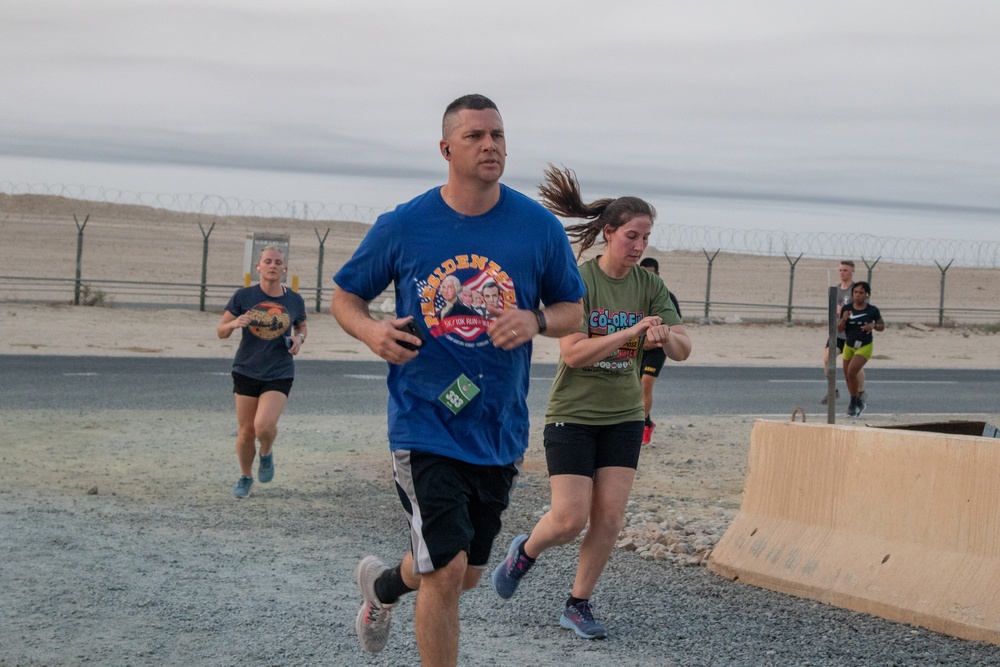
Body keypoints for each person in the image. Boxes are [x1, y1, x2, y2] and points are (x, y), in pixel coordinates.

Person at [329, 94, 585, 666]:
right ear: (446, 148)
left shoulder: (537, 227)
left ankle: (382, 588)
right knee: (443, 570)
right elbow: (345, 297)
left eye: (497, 135)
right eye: (474, 136)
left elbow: (575, 310)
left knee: (463, 573)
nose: (490, 144)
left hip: (498, 425)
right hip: (425, 421)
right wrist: (370, 333)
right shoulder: (405, 224)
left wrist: (536, 319)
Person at [491, 165, 692, 639]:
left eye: (646, 238)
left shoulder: (650, 287)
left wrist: (665, 337)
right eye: (632, 236)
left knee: (608, 519)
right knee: (569, 518)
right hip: (573, 416)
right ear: (608, 233)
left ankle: (577, 604)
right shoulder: (580, 280)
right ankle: (525, 552)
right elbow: (574, 353)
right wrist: (633, 331)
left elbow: (684, 348)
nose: (640, 246)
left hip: (623, 416)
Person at [217, 245, 307, 498]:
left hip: (279, 371)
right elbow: (221, 331)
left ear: (284, 269)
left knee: (263, 426)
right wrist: (234, 323)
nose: (273, 265)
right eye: (267, 261)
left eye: (278, 262)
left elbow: (302, 326)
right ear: (258, 267)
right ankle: (245, 477)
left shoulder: (294, 300)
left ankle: (266, 453)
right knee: (246, 431)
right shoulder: (243, 296)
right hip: (246, 368)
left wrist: (299, 339)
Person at [637, 257, 682, 445]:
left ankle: (640, 428)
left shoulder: (666, 296)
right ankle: (646, 421)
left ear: (657, 274)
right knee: (633, 387)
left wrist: (660, 337)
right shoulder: (632, 294)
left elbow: (676, 325)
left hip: (657, 348)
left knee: (646, 384)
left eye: (652, 273)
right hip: (636, 347)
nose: (648, 276)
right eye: (644, 272)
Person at [838, 280, 884, 418]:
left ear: (867, 295)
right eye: (855, 292)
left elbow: (882, 326)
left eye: (861, 293)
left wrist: (873, 326)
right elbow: (840, 329)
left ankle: (853, 403)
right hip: (849, 345)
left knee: (852, 372)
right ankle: (857, 401)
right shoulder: (847, 309)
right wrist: (844, 320)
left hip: (864, 346)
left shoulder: (872, 310)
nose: (857, 295)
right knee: (847, 376)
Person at [820, 260, 858, 404]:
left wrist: (843, 311)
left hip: (852, 334)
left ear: (852, 272)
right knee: (827, 358)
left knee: (853, 367)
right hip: (837, 334)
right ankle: (832, 391)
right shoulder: (835, 290)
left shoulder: (857, 290)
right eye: (840, 270)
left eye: (845, 270)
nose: (842, 273)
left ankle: (859, 393)